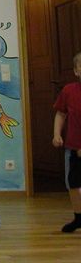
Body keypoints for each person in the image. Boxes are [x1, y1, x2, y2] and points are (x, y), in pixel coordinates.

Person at [53, 51, 81, 233]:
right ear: (76, 71)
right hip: (73, 147)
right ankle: (78, 217)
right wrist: (57, 134)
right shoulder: (69, 91)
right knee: (73, 183)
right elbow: (61, 114)